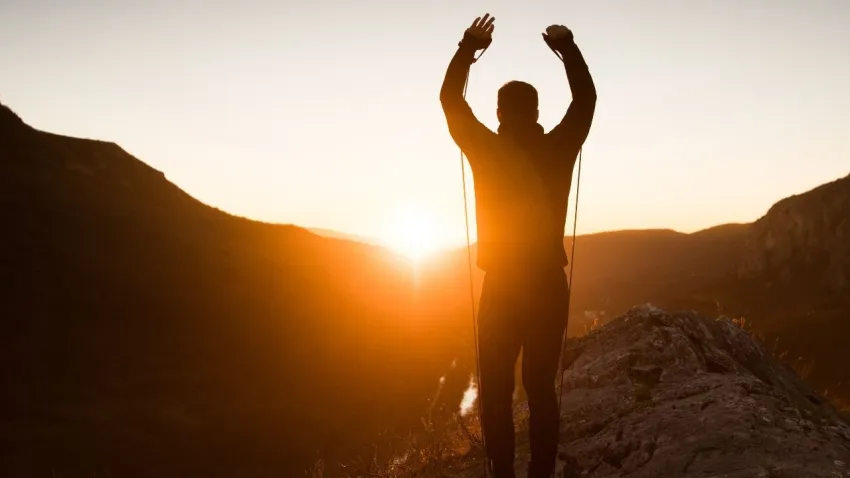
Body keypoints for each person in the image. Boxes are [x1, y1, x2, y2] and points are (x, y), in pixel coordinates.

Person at [439, 13, 596, 478]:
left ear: (500, 113)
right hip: (549, 283)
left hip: (502, 287)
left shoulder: (487, 148)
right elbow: (586, 98)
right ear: (538, 112)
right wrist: (566, 48)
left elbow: (450, 99)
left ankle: (501, 473)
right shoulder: (561, 146)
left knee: (496, 390)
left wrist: (470, 46)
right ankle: (541, 474)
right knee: (541, 389)